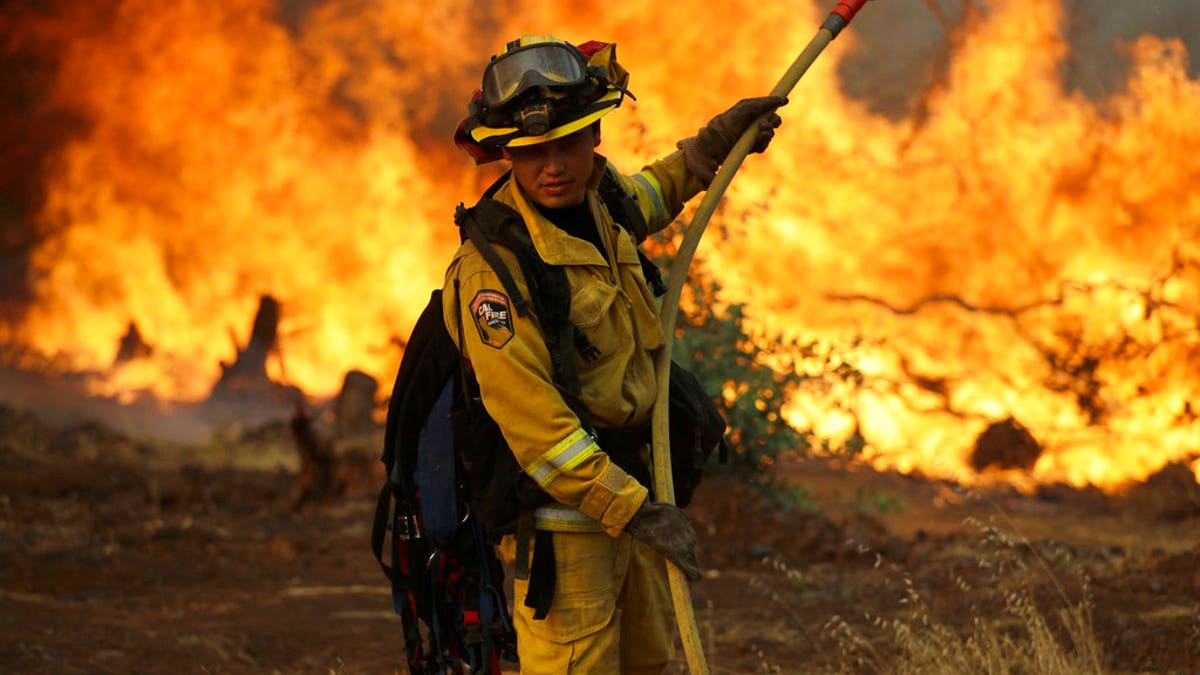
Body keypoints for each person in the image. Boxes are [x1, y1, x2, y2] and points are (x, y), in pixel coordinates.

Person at [445, 34, 785, 674]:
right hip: (567, 527)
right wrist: (638, 512)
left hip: (638, 493)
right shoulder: (492, 275)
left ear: (595, 135)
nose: (553, 165)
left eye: (568, 143)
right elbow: (541, 435)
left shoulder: (603, 203)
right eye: (533, 151)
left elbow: (651, 196)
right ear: (504, 155)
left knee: (652, 664)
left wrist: (712, 146)